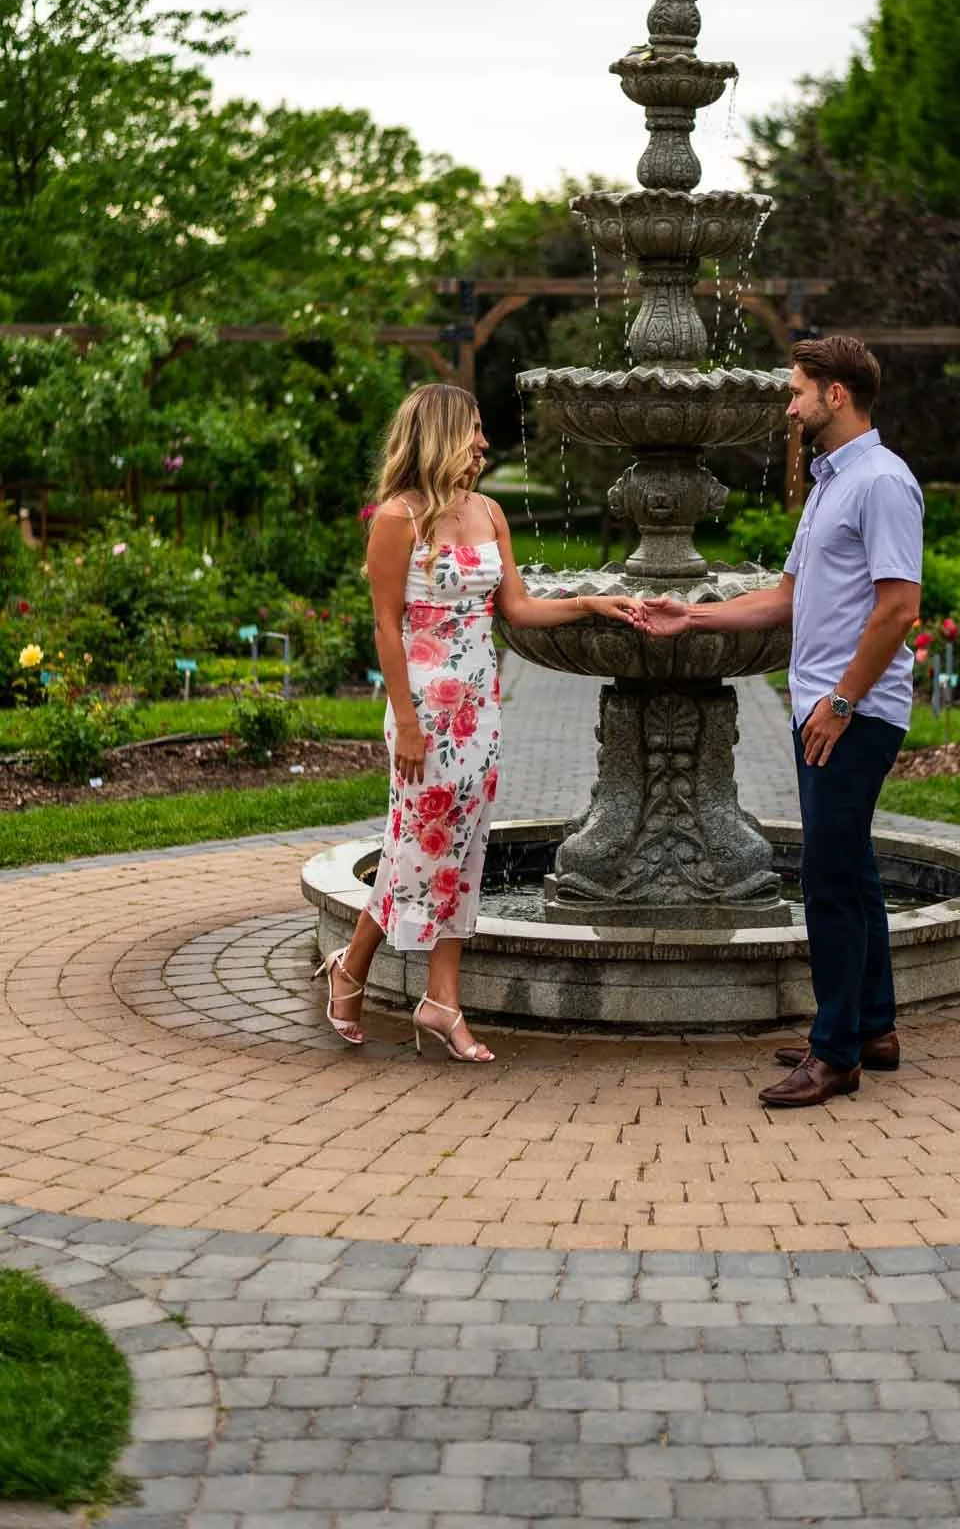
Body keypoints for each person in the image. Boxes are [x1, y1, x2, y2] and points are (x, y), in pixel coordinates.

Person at [315, 383, 642, 1061]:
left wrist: (590, 603)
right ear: (437, 435)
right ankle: (353, 969)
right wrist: (404, 721)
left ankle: (439, 1000)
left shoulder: (490, 513)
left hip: (478, 711)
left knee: (463, 851)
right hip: (423, 712)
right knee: (415, 849)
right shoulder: (397, 519)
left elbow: (516, 610)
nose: (484, 445)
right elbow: (384, 625)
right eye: (473, 431)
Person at [641, 336, 923, 1108]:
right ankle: (872, 1027)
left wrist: (840, 702)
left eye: (799, 391)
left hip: (853, 712)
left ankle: (833, 1056)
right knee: (852, 870)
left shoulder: (882, 483)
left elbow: (899, 607)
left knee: (828, 879)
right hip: (823, 707)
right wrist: (691, 618)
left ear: (837, 394)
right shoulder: (829, 485)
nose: (790, 405)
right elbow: (785, 599)